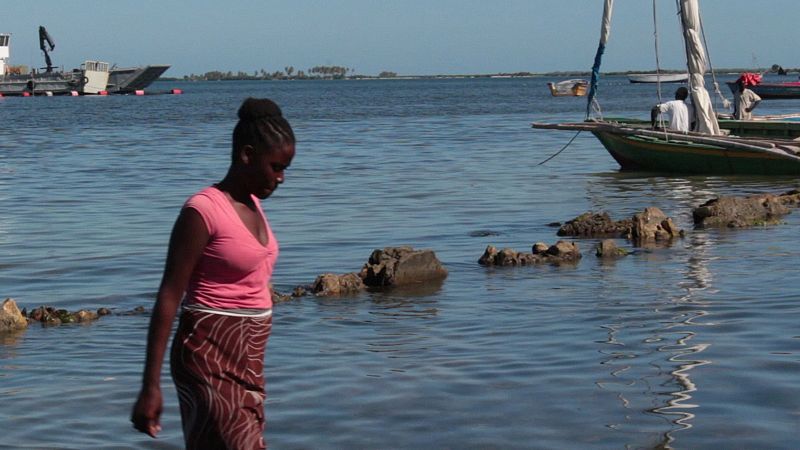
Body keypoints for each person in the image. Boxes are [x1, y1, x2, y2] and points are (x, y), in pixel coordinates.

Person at [131, 97, 295, 449]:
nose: (281, 178)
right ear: (247, 155)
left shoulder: (253, 205)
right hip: (208, 353)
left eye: (285, 169)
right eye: (276, 167)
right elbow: (169, 295)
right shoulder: (203, 211)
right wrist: (150, 386)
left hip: (248, 359)